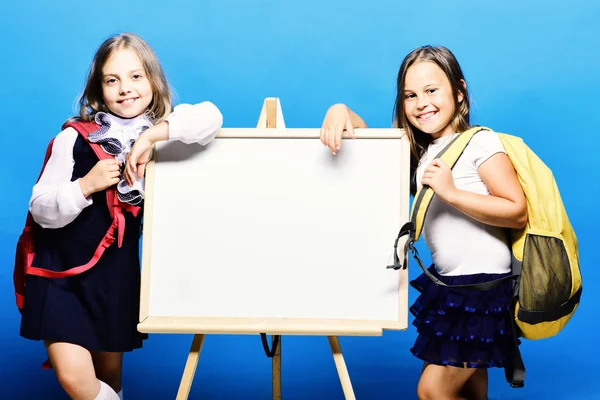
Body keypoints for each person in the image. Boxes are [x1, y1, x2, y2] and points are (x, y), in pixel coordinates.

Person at [20, 32, 223, 400]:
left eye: (135, 76)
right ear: (98, 89)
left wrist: (151, 138)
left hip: (116, 272)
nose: (125, 88)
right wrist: (85, 185)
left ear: (152, 81)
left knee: (109, 380)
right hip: (60, 271)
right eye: (112, 79)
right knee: (75, 379)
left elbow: (212, 117)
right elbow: (40, 208)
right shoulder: (74, 137)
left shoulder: (165, 135)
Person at [319, 45, 527, 400]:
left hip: (481, 288)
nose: (421, 103)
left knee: (433, 390)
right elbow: (371, 145)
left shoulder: (479, 142)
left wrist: (453, 193)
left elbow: (516, 209)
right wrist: (341, 110)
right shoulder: (420, 152)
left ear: (459, 92)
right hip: (450, 286)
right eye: (410, 95)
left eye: (432, 91)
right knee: (471, 392)